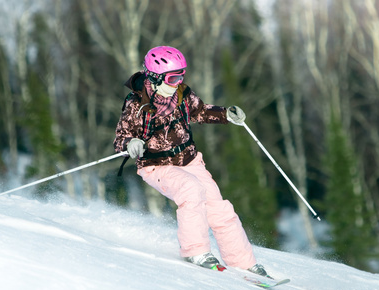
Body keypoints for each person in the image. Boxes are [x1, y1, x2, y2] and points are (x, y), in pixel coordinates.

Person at [114, 46, 270, 277]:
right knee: (190, 190)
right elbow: (121, 138)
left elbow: (200, 111)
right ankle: (195, 251)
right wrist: (131, 143)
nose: (178, 82)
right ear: (155, 77)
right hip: (157, 166)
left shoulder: (181, 94)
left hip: (190, 160)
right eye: (173, 77)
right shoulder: (137, 103)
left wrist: (226, 114)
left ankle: (243, 262)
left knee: (220, 209)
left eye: (181, 75)